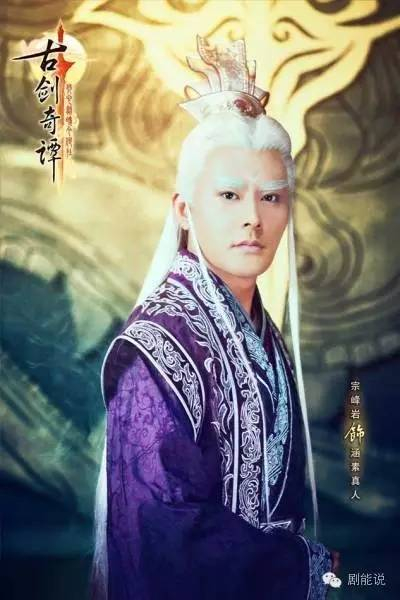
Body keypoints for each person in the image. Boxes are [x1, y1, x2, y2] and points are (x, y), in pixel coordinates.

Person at [90, 35, 340, 600]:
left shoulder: (261, 331)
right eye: (229, 195)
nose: (253, 217)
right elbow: (163, 536)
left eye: (271, 197)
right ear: (184, 209)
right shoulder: (156, 350)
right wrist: (300, 566)